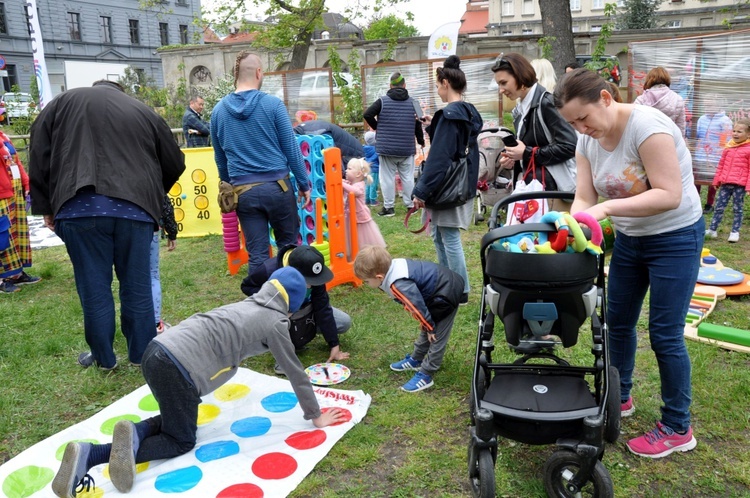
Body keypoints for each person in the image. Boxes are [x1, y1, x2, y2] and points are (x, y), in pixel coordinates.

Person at [50, 266, 346, 498]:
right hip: (179, 368)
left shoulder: (245, 306)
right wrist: (315, 415)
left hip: (156, 350)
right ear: (291, 304)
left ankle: (136, 431)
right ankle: (94, 454)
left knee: (175, 415)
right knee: (181, 439)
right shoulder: (276, 322)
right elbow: (295, 371)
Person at [554, 68, 703, 458]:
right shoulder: (587, 142)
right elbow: (584, 196)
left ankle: (677, 426)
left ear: (606, 98)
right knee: (617, 323)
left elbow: (669, 194)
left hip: (675, 236)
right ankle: (619, 398)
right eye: (571, 123)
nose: (580, 128)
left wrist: (605, 208)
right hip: (632, 240)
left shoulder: (647, 127)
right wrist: (575, 222)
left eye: (583, 118)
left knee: (665, 334)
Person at [29, 80, 185, 370]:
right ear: (120, 93)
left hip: (79, 208)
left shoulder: (62, 103)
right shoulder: (144, 111)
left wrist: (45, 206)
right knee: (137, 285)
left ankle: (103, 359)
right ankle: (141, 355)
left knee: (94, 287)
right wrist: (149, 194)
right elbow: (175, 161)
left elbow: (39, 153)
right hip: (136, 211)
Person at [210, 51, 311, 274]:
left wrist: (228, 186)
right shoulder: (273, 105)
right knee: (287, 248)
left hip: (243, 192)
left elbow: (220, 159)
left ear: (236, 75)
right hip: (278, 188)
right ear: (258, 72)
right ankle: (290, 301)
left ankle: (260, 305)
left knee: (257, 253)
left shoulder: (218, 112)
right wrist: (304, 185)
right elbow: (292, 150)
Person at [412, 55, 482, 304]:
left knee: (448, 237)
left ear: (445, 83)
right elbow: (456, 145)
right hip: (462, 184)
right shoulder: (467, 111)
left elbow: (440, 159)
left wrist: (420, 191)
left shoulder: (450, 114)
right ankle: (448, 284)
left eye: (437, 85)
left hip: (447, 188)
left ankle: (457, 290)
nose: (437, 90)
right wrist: (435, 126)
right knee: (440, 235)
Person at [354, 245, 463, 392]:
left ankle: (426, 373)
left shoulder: (399, 284)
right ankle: (416, 359)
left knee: (436, 336)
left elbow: (416, 306)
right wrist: (426, 323)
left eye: (367, 281)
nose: (366, 284)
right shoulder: (390, 269)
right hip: (436, 291)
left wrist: (430, 326)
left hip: (446, 294)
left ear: (379, 277)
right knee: (427, 324)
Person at [240, 244, 351, 368]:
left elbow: (322, 308)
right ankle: (282, 355)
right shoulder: (269, 269)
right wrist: (273, 297)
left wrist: (334, 344)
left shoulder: (313, 273)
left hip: (305, 310)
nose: (310, 286)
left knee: (343, 322)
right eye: (307, 281)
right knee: (283, 321)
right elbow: (246, 286)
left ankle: (301, 333)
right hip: (281, 310)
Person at [493, 53, 578, 212]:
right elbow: (528, 148)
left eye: (504, 83)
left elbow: (569, 146)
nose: (501, 90)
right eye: (498, 84)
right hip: (536, 191)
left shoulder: (546, 103)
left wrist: (525, 153)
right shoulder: (520, 108)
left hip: (553, 193)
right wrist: (513, 158)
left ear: (520, 77)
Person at [363, 71, 425, 217]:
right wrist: (421, 141)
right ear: (404, 85)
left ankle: (389, 208)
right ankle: (411, 206)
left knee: (387, 179)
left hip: (386, 148)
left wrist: (378, 127)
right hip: (406, 148)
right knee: (408, 178)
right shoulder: (414, 103)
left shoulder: (382, 101)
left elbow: (367, 114)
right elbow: (419, 123)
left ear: (390, 85)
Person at [0, 130, 41, 293]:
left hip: (13, 190)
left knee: (15, 233)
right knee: (2, 234)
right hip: (2, 191)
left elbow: (16, 162)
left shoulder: (2, 135)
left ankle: (15, 273)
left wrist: (26, 183)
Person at [705, 118, 750, 242]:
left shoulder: (748, 149)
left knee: (737, 208)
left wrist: (748, 186)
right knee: (719, 206)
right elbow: (721, 165)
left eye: (739, 132)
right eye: (734, 131)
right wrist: (716, 180)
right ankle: (712, 230)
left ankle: (735, 232)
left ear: (748, 134)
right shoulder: (728, 147)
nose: (735, 134)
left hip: (739, 186)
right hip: (725, 184)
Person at [694, 96, 732, 213]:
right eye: (705, 105)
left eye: (710, 105)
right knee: (697, 179)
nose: (707, 108)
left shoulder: (725, 121)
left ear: (718, 106)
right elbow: (698, 135)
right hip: (700, 154)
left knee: (712, 181)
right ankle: (695, 202)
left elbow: (727, 139)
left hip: (715, 156)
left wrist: (717, 151)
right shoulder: (701, 119)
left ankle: (710, 204)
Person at [343, 158, 386, 248]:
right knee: (350, 234)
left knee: (360, 237)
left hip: (359, 218)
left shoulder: (360, 185)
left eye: (349, 169)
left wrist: (342, 184)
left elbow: (354, 191)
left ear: (358, 174)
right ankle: (353, 250)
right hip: (350, 215)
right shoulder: (350, 183)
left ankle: (362, 250)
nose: (346, 171)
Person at [152, 195, 178, 334]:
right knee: (152, 275)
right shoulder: (147, 172)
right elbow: (163, 201)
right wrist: (172, 231)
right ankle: (156, 324)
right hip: (148, 225)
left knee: (129, 279)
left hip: (119, 225)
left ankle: (134, 326)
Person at [634, 66, 686, 136]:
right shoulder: (677, 99)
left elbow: (634, 125)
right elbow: (680, 127)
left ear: (649, 79)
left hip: (645, 142)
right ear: (667, 79)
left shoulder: (641, 100)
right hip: (669, 141)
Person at [293, 119, 365, 167]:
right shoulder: (303, 130)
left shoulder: (318, 135)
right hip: (346, 154)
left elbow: (334, 161)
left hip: (354, 156)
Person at [363, 131, 380, 205]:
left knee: (367, 184)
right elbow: (379, 159)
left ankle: (366, 199)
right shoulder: (376, 149)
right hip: (375, 169)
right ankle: (373, 200)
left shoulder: (364, 149)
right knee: (373, 185)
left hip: (366, 169)